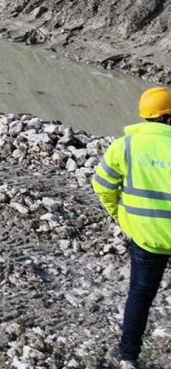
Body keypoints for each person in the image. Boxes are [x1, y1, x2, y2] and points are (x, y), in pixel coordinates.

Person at [93, 86, 171, 367]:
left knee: (140, 294)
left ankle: (128, 356)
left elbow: (102, 185)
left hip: (145, 237)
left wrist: (120, 216)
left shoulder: (125, 145)